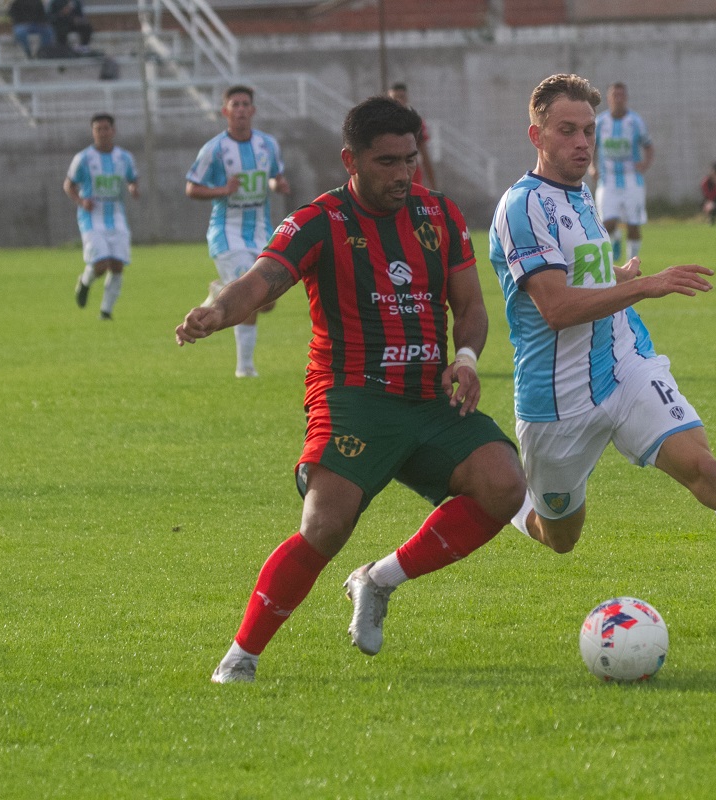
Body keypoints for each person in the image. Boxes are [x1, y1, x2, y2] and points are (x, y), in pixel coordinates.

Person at [489, 74, 716, 634]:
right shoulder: (520, 207)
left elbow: (580, 276)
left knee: (705, 469)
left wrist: (618, 277)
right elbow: (557, 308)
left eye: (588, 130)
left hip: (624, 364)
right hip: (556, 400)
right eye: (567, 131)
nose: (582, 142)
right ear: (535, 135)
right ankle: (509, 503)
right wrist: (644, 286)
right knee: (558, 536)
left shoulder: (580, 193)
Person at [176, 96, 526, 684]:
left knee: (505, 486)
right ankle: (242, 654)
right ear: (351, 160)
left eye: (410, 159)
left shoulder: (438, 215)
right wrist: (218, 312)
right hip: (353, 397)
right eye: (387, 162)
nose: (402, 174)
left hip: (428, 398)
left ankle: (379, 578)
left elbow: (469, 307)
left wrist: (465, 358)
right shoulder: (320, 220)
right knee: (325, 525)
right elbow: (262, 280)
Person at [185, 85, 290, 378]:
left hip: (260, 230)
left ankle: (220, 290)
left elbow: (274, 177)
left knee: (266, 301)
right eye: (236, 104)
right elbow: (191, 187)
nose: (241, 109)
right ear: (226, 111)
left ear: (253, 110)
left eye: (246, 104)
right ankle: (244, 369)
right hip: (227, 232)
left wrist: (277, 186)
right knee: (250, 301)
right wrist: (223, 189)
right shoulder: (214, 149)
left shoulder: (268, 145)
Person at [66, 113, 139, 321]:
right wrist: (81, 201)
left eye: (106, 128)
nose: (103, 133)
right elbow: (68, 185)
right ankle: (85, 282)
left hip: (116, 216)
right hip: (92, 218)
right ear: (93, 132)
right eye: (98, 129)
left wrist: (133, 188)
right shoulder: (83, 159)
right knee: (101, 265)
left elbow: (132, 179)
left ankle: (106, 312)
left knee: (117, 265)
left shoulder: (124, 158)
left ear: (113, 131)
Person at [590, 81, 653, 265]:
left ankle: (630, 263)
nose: (618, 99)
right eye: (614, 96)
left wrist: (645, 163)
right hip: (607, 179)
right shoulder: (600, 122)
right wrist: (592, 167)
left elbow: (648, 146)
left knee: (634, 225)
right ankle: (614, 243)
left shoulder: (635, 122)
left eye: (621, 96)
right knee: (607, 224)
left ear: (625, 98)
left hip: (632, 179)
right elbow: (592, 147)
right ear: (609, 99)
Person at [387, 81, 437, 189]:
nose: (398, 101)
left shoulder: (415, 122)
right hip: (388, 178)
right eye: (395, 98)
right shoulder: (382, 123)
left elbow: (424, 155)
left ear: (406, 98)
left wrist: (434, 187)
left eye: (401, 97)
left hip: (411, 178)